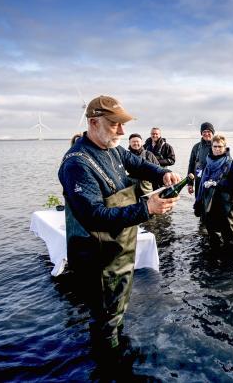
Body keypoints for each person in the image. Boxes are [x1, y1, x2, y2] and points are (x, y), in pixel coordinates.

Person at [58, 95, 180, 352]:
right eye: (115, 124)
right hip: (98, 260)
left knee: (117, 311)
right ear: (93, 123)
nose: (123, 131)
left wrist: (162, 173)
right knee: (106, 320)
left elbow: (137, 163)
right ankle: (109, 365)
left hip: (118, 252)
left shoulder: (112, 148)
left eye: (123, 124)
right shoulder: (77, 164)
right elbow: (94, 216)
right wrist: (147, 208)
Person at [194, 134, 233, 250]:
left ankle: (229, 262)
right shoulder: (207, 163)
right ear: (211, 147)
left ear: (225, 147)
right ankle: (213, 261)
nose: (217, 149)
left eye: (220, 146)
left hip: (226, 206)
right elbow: (201, 184)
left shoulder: (232, 164)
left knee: (229, 237)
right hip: (209, 204)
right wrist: (198, 202)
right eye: (215, 146)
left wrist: (219, 184)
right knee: (212, 235)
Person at [187, 122, 215, 197]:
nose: (206, 133)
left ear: (213, 133)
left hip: (214, 183)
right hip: (199, 182)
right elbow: (191, 165)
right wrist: (190, 183)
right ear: (201, 133)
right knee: (199, 205)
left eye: (209, 131)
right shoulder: (196, 147)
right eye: (204, 132)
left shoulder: (218, 146)